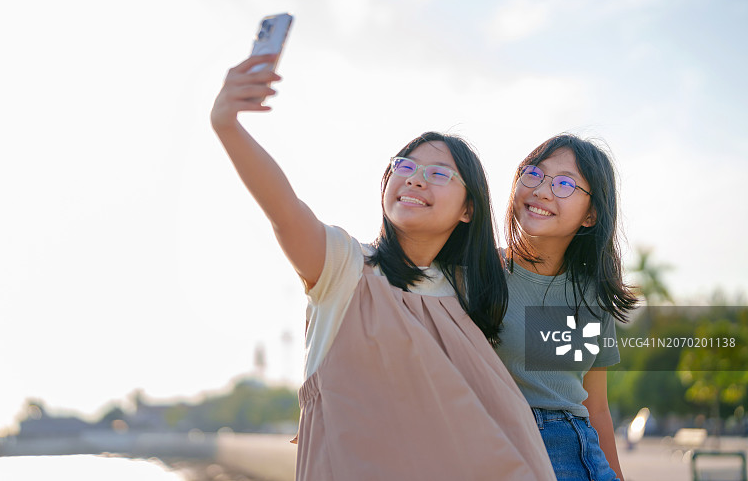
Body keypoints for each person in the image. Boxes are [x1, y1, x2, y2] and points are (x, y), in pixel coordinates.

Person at [210, 53, 557, 480]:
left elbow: (565, 302)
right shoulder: (345, 268)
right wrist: (228, 126)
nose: (413, 179)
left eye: (438, 174)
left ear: (469, 208)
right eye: (405, 167)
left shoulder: (471, 289)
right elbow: (284, 211)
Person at [495, 134, 638, 481]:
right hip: (511, 451)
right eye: (533, 174)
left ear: (590, 215)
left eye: (563, 184)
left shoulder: (592, 295)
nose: (542, 190)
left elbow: (596, 408)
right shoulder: (482, 274)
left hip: (585, 456)